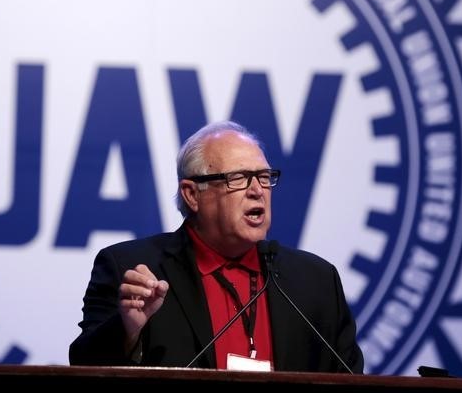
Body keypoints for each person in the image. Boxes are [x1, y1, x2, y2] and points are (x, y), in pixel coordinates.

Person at [69, 121, 363, 372]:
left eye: (263, 177)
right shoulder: (132, 271)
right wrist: (128, 331)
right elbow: (83, 370)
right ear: (192, 195)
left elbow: (352, 384)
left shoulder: (315, 281)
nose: (257, 191)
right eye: (238, 178)